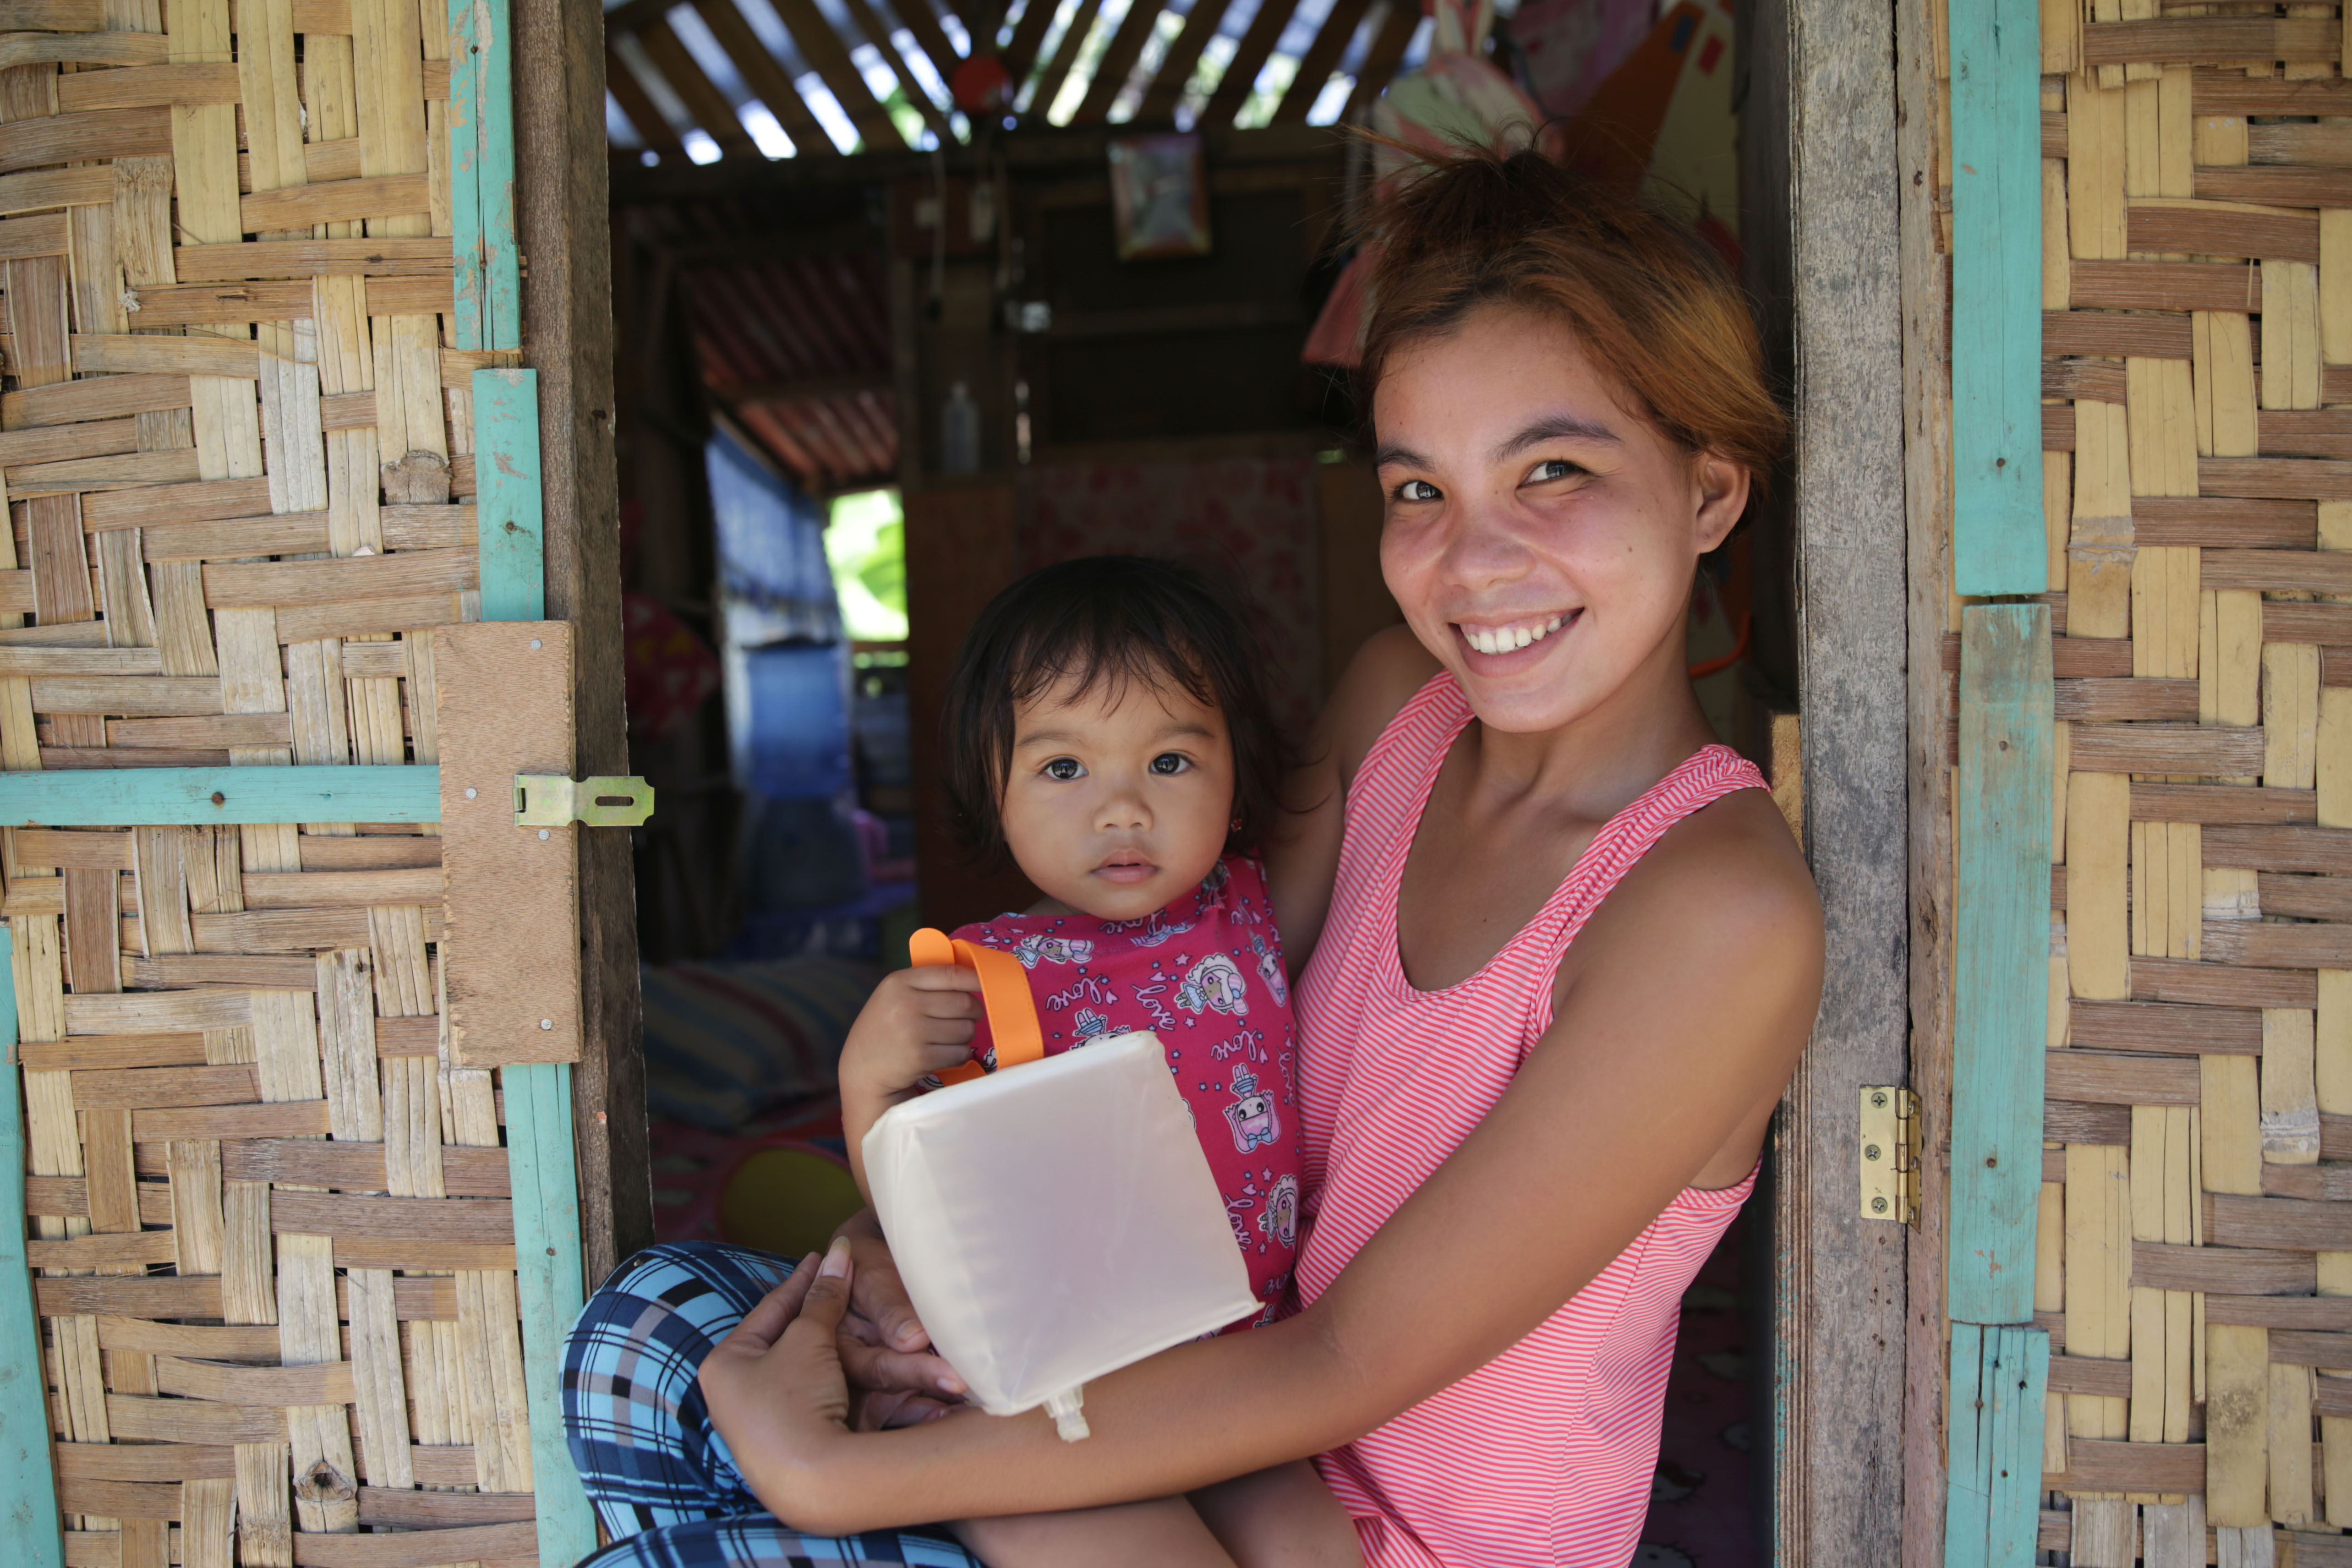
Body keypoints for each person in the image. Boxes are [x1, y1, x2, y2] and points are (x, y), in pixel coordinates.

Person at [564, 144, 1823, 1568]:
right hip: (1185, 1386)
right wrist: (899, 1243)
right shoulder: (1392, 713)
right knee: (651, 1327)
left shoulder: (1711, 911)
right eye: (1418, 491)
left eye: (1552, 470)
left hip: (1374, 1529)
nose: (1473, 563)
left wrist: (829, 1473)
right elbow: (1167, 1010)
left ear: (1709, 492)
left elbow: (1346, 1359)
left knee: (759, 1454)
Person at [833, 555, 1356, 1563]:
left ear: (1237, 771)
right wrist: (869, 1082)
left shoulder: (1249, 909)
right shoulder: (988, 981)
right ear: (993, 783)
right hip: (1070, 1391)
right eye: (1063, 768)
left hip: (1236, 1374)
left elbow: (1351, 741)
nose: (1121, 808)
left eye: (1169, 760)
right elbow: (924, 1211)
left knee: (1320, 1549)